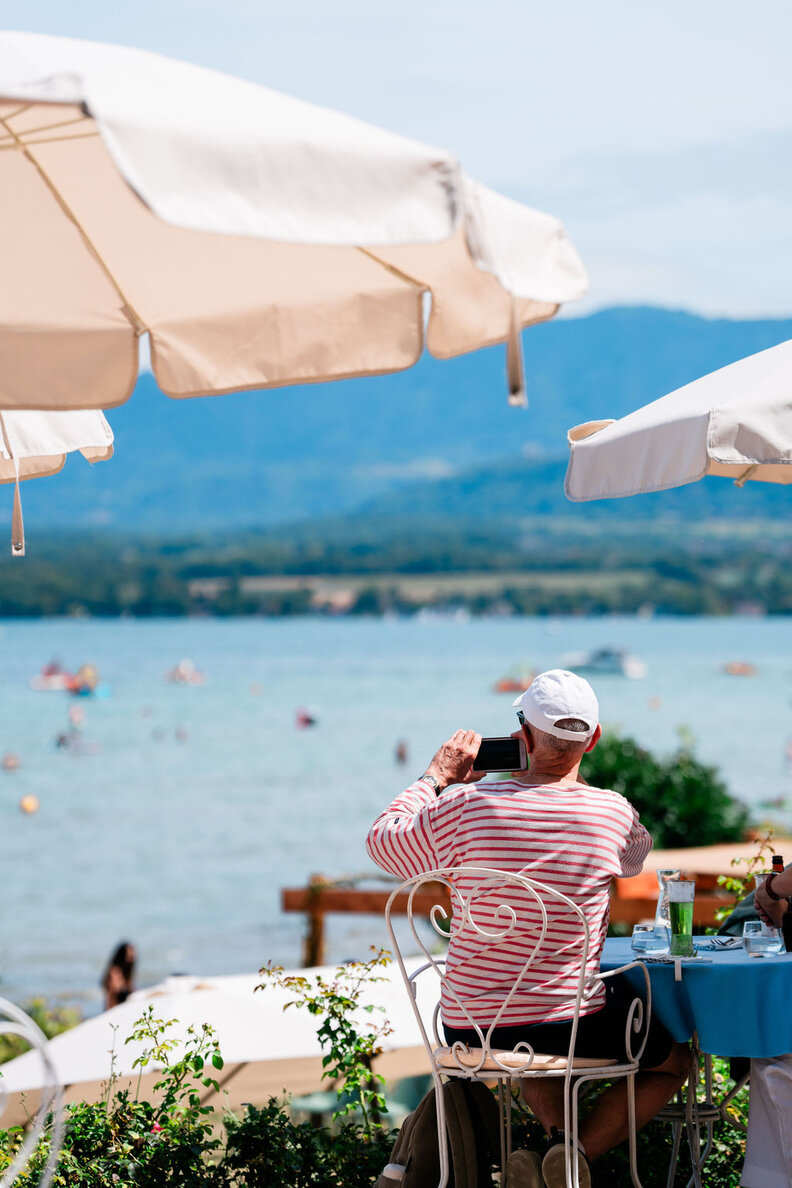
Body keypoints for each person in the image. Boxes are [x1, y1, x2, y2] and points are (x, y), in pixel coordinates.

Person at [367, 669, 689, 1188]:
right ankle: (574, 1159)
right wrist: (573, 794)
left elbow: (383, 841)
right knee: (674, 1061)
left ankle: (559, 1154)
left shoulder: (464, 807)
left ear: (523, 734)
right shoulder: (612, 813)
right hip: (565, 1024)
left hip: (471, 1025)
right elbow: (635, 858)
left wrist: (436, 777)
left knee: (531, 1041)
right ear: (596, 737)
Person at [101, 941, 136, 1009]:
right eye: (130, 953)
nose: (133, 955)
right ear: (123, 955)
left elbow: (132, 990)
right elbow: (112, 995)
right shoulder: (115, 971)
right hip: (116, 1007)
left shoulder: (126, 971)